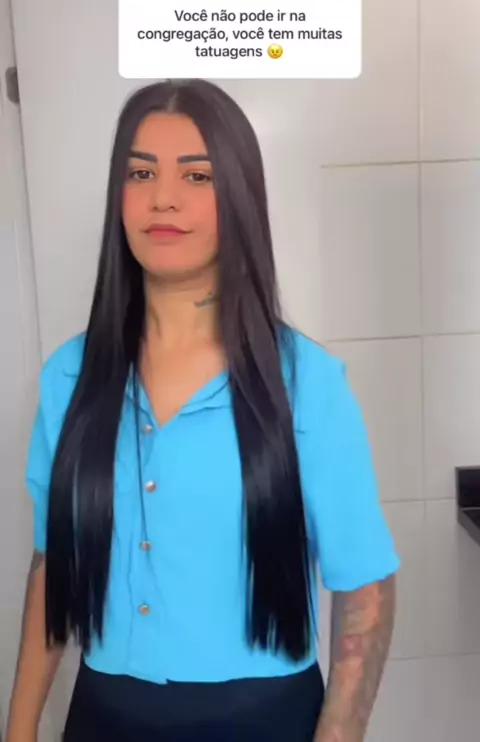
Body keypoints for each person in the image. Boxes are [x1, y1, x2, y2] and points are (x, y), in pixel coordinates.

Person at [6, 79, 400, 742]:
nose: (163, 198)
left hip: (267, 720)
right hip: (103, 717)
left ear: (238, 196)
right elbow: (53, 565)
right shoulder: (68, 377)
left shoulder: (306, 384)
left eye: (197, 175)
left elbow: (364, 588)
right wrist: (18, 730)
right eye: (141, 173)